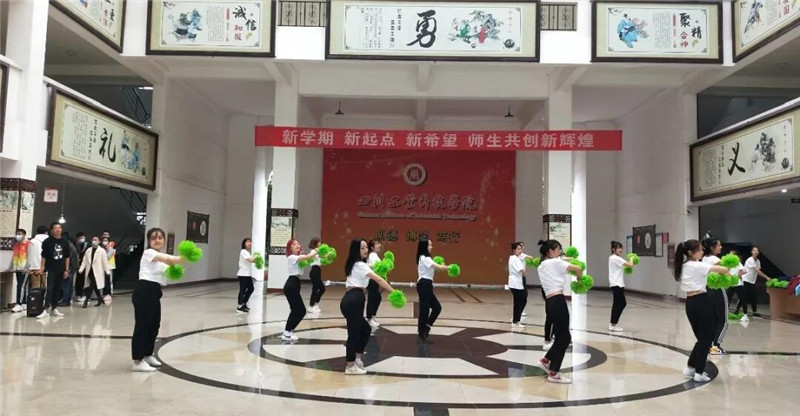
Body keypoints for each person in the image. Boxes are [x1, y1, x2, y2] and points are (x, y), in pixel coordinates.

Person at [674, 239, 731, 383]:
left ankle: (690, 367)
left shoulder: (683, 265)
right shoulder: (697, 265)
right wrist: (728, 264)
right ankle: (699, 372)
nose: (702, 251)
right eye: (699, 249)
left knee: (702, 338)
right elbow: (724, 270)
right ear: (690, 252)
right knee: (706, 338)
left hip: (690, 304)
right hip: (701, 302)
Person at [131, 228, 185, 372]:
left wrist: (177, 265)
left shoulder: (160, 257)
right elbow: (169, 259)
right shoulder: (149, 253)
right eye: (153, 238)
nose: (157, 240)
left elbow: (171, 264)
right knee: (142, 325)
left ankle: (148, 354)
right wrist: (184, 257)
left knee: (154, 324)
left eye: (160, 238)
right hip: (144, 290)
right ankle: (137, 360)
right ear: (148, 241)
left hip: (155, 291)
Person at [340, 238, 394, 375]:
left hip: (352, 299)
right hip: (354, 301)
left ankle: (357, 359)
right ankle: (350, 366)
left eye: (366, 248)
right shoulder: (359, 265)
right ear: (356, 250)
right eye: (362, 248)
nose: (365, 250)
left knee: (365, 329)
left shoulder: (356, 264)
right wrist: (393, 292)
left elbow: (372, 272)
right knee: (354, 334)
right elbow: (378, 279)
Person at [536, 239, 583, 384]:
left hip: (550, 303)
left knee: (563, 336)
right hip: (558, 302)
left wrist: (566, 258)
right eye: (558, 250)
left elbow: (563, 259)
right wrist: (580, 281)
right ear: (550, 251)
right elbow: (578, 269)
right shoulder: (555, 262)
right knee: (564, 337)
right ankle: (554, 373)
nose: (560, 252)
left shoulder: (542, 264)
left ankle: (546, 361)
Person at [416, 238, 454, 342]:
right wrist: (450, 267)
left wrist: (442, 266)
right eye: (429, 245)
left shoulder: (426, 258)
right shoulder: (424, 258)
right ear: (424, 246)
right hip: (424, 284)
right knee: (424, 310)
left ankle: (426, 327)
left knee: (437, 308)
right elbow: (439, 267)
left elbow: (437, 268)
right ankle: (421, 333)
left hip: (427, 285)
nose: (431, 247)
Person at [282, 239, 318, 342]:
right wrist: (316, 250)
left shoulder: (298, 258)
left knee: (297, 310)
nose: (297, 245)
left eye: (298, 244)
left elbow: (309, 259)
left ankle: (288, 331)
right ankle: (287, 332)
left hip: (295, 283)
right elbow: (307, 257)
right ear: (290, 248)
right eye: (294, 244)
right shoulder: (292, 257)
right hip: (291, 284)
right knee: (299, 310)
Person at [39, 222, 71, 319]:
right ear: (52, 230)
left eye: (59, 227)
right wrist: (42, 267)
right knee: (49, 289)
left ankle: (54, 307)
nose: (58, 229)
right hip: (50, 269)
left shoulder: (65, 242)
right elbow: (44, 256)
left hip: (61, 269)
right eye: (56, 228)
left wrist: (66, 270)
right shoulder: (47, 242)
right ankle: (45, 309)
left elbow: (67, 256)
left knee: (57, 289)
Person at [702, 238, 727, 355]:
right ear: (712, 248)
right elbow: (726, 272)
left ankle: (709, 345)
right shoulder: (716, 260)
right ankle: (716, 345)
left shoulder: (704, 259)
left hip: (707, 290)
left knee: (712, 320)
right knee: (723, 320)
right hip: (717, 290)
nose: (721, 247)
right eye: (719, 245)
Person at [608, 241, 636, 332]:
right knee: (621, 303)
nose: (620, 250)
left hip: (617, 283)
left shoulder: (612, 258)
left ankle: (613, 323)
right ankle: (613, 323)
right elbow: (630, 265)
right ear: (613, 249)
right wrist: (632, 257)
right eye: (618, 248)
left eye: (621, 248)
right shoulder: (615, 258)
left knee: (618, 303)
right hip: (617, 284)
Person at [78, 236, 109, 308]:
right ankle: (100, 298)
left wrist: (107, 271)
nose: (94, 241)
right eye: (93, 240)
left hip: (98, 272)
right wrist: (81, 269)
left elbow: (105, 262)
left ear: (99, 241)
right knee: (94, 285)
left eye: (96, 240)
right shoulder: (88, 250)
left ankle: (86, 300)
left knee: (91, 285)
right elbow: (84, 261)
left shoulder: (102, 251)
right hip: (90, 271)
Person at [741, 246, 770, 319]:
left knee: (753, 296)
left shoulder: (758, 261)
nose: (756, 252)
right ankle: (738, 310)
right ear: (751, 252)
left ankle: (754, 312)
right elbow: (757, 270)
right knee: (744, 297)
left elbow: (757, 271)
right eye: (754, 250)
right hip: (746, 280)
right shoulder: (750, 260)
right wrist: (766, 277)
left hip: (752, 281)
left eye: (757, 251)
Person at [508, 242, 531, 329]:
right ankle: (516, 321)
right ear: (514, 250)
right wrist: (523, 272)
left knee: (521, 300)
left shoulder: (516, 258)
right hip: (515, 283)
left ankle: (516, 319)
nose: (520, 250)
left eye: (520, 249)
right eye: (518, 249)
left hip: (517, 282)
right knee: (520, 301)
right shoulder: (514, 258)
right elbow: (521, 270)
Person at [10, 229, 31, 313]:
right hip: (17, 268)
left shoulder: (28, 244)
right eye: (17, 234)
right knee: (21, 286)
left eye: (19, 234)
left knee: (20, 286)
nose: (17, 235)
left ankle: (19, 304)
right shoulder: (16, 244)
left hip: (24, 269)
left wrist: (27, 267)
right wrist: (12, 267)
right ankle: (24, 303)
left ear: (24, 235)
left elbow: (30, 256)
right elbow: (14, 256)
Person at [365, 239, 383, 328]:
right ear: (372, 247)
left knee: (377, 297)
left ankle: (372, 316)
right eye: (376, 244)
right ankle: (369, 318)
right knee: (372, 298)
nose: (379, 245)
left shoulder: (375, 255)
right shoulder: (372, 255)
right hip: (372, 279)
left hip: (375, 279)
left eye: (379, 243)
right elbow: (370, 266)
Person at [59, 234, 79, 307]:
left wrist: (66, 269)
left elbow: (67, 258)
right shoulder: (71, 245)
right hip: (72, 267)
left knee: (66, 284)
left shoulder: (68, 246)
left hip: (69, 268)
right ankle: (67, 300)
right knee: (69, 284)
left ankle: (65, 300)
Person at [307, 237, 326, 314]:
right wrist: (317, 252)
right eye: (319, 242)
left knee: (322, 289)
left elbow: (322, 258)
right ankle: (311, 306)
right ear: (315, 243)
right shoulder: (313, 251)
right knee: (315, 288)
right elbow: (312, 256)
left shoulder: (318, 251)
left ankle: (315, 304)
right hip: (314, 270)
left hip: (318, 270)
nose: (320, 243)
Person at [236, 238, 255, 313]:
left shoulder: (247, 252)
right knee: (243, 290)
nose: (249, 243)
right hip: (243, 274)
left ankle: (244, 303)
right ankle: (240, 305)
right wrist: (257, 257)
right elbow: (251, 260)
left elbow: (252, 260)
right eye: (248, 242)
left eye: (250, 242)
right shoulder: (243, 251)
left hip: (248, 274)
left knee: (251, 288)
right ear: (244, 244)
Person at [27, 225, 48, 290]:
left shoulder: (32, 241)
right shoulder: (49, 241)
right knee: (45, 286)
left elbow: (29, 254)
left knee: (36, 286)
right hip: (46, 267)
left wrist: (29, 267)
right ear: (46, 232)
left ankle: (36, 296)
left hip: (34, 267)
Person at [74, 232, 90, 301]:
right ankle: (79, 294)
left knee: (85, 281)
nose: (81, 239)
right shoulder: (76, 245)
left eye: (82, 238)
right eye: (80, 238)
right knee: (79, 281)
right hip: (78, 266)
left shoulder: (87, 245)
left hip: (85, 265)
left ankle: (85, 295)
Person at [102, 236, 116, 303]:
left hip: (109, 267)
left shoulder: (110, 249)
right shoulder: (104, 248)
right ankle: (105, 294)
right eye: (103, 240)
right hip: (105, 267)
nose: (104, 242)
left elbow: (107, 257)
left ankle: (109, 294)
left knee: (109, 281)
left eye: (106, 240)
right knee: (106, 281)